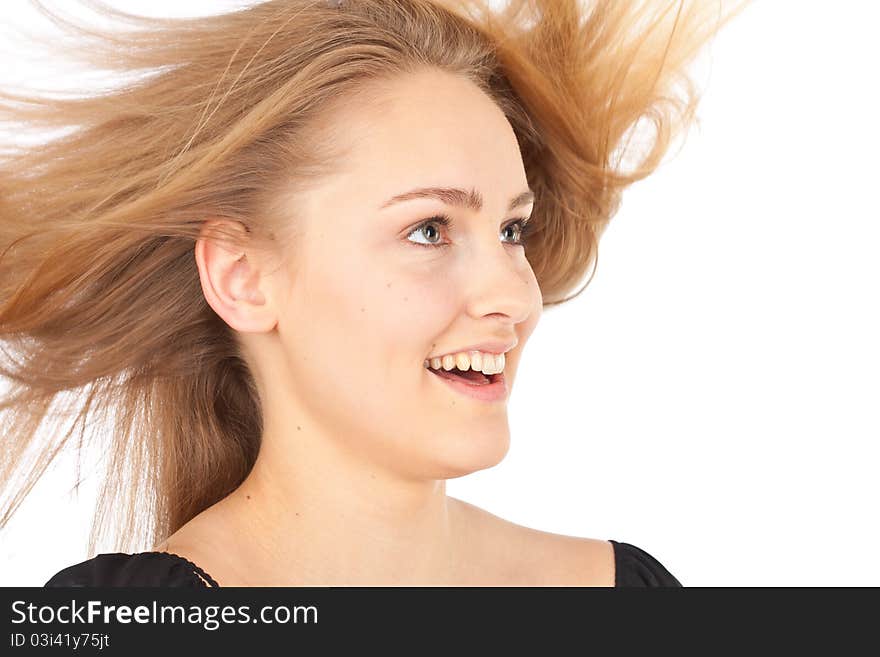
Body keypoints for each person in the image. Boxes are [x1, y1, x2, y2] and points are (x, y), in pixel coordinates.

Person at [1, 0, 746, 587]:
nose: (515, 299)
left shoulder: (625, 595)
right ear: (242, 277)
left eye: (512, 230)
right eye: (429, 229)